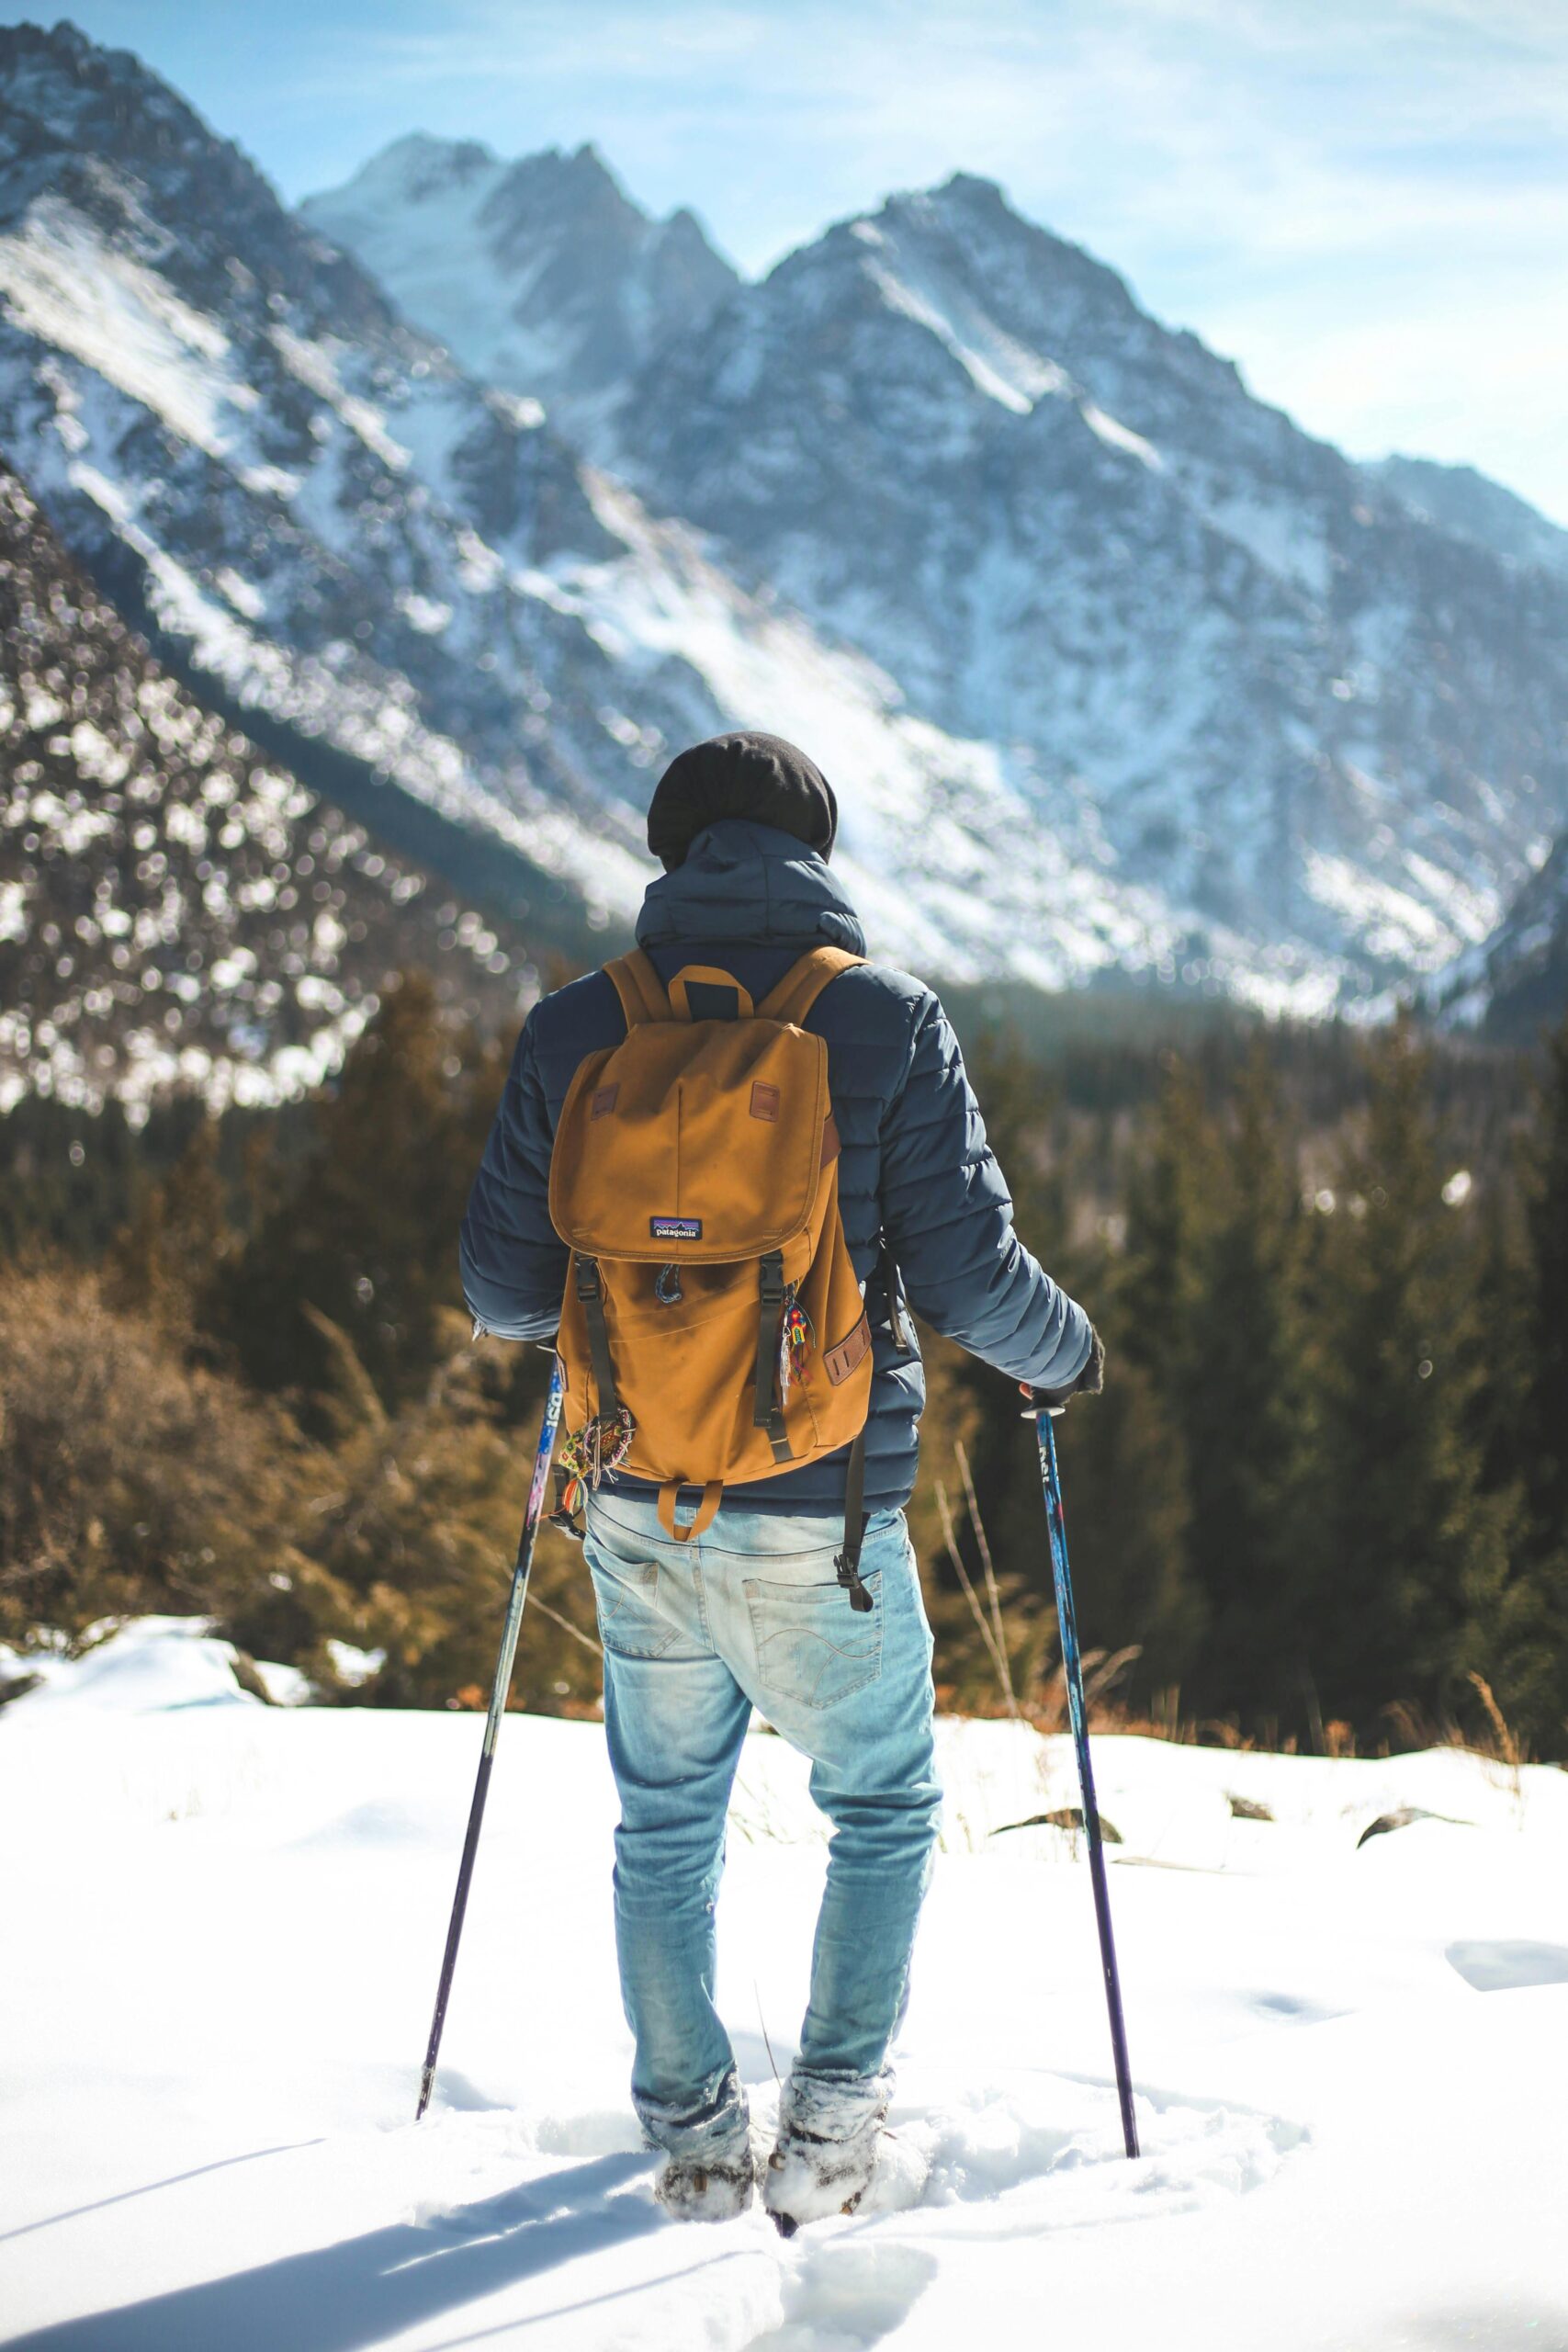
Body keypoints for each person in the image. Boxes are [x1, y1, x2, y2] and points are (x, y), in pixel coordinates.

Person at [460, 729, 1101, 2230]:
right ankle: (825, 2128)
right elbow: (962, 1269)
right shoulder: (882, 1021)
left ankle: (688, 2137)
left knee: (665, 1820)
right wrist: (1063, 1356)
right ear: (818, 856)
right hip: (824, 1512)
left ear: (669, 856)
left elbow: (499, 1290)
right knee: (879, 1805)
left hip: (634, 1495)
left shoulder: (574, 1029)